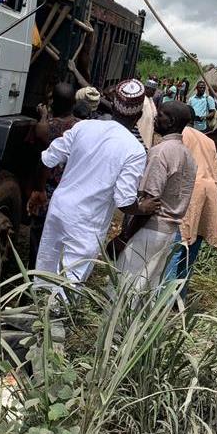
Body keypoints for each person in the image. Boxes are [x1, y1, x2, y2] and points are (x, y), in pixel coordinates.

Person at [28, 79, 159, 289]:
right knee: (70, 281)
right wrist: (141, 208)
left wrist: (39, 190)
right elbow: (124, 201)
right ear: (138, 115)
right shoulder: (134, 150)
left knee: (45, 268)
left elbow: (48, 158)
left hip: (59, 209)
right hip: (86, 222)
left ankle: (36, 310)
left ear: (114, 105)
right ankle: (55, 319)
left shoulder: (84, 127)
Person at [114, 102, 196, 297]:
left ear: (172, 121)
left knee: (126, 288)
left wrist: (124, 238)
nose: (155, 118)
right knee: (147, 289)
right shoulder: (188, 156)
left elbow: (150, 203)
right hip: (168, 233)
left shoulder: (160, 152)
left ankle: (117, 328)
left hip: (149, 230)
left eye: (161, 115)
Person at [164, 113, 217, 301]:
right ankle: (179, 298)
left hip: (192, 191)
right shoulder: (209, 141)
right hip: (210, 193)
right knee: (192, 249)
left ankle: (162, 300)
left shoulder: (182, 134)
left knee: (177, 247)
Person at [29, 82, 79, 267]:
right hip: (70, 191)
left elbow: (41, 138)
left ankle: (34, 277)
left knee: (39, 236)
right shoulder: (81, 127)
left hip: (48, 189)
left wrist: (43, 115)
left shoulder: (47, 126)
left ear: (54, 103)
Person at [137, 79, 159, 149]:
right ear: (146, 88)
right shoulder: (141, 99)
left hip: (149, 130)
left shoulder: (150, 99)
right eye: (152, 90)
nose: (153, 93)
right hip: (141, 130)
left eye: (154, 91)